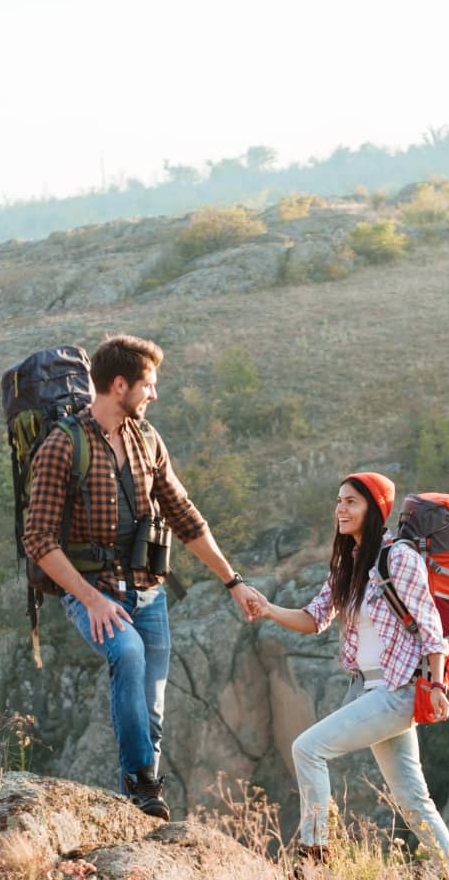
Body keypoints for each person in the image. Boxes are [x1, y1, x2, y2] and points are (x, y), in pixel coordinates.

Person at [21, 334, 266, 819]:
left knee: (152, 707)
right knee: (127, 654)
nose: (153, 394)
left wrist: (234, 582)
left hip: (148, 594)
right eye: (148, 385)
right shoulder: (62, 446)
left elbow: (185, 517)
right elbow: (39, 540)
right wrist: (90, 600)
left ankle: (141, 803)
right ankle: (142, 782)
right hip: (94, 593)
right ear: (119, 385)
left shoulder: (147, 440)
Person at [257, 471, 449, 880]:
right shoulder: (349, 564)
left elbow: (431, 626)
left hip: (399, 689)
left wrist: (436, 684)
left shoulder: (399, 557)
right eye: (339, 501)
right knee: (413, 799)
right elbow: (315, 618)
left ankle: (316, 856)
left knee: (307, 749)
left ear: (375, 509)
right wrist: (266, 608)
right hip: (368, 691)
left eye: (351, 501)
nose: (341, 509)